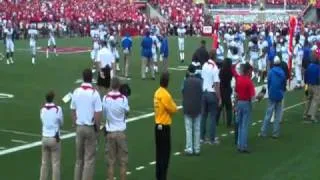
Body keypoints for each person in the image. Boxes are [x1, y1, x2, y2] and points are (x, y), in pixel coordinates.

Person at [71, 69, 102, 180]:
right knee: (89, 159)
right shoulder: (94, 93)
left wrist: (75, 123)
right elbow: (98, 113)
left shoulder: (76, 91)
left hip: (79, 127)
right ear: (91, 78)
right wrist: (97, 128)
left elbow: (73, 109)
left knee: (79, 159)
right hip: (90, 127)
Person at [102, 77, 130, 180]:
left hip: (110, 132)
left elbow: (104, 114)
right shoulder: (123, 99)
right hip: (121, 132)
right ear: (119, 86)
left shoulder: (105, 98)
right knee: (123, 163)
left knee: (110, 163)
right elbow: (127, 112)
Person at [153, 72, 178, 180]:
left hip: (157, 125)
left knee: (159, 153)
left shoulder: (157, 92)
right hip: (164, 127)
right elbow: (173, 109)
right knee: (165, 154)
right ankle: (163, 177)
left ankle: (158, 175)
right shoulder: (166, 95)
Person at [259, 57, 286, 138]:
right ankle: (275, 133)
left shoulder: (271, 72)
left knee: (268, 114)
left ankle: (263, 131)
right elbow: (283, 84)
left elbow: (269, 83)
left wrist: (270, 91)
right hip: (279, 94)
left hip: (272, 94)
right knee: (277, 115)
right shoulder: (282, 72)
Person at [40, 91, 63, 180]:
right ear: (53, 98)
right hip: (54, 138)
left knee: (44, 163)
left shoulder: (42, 109)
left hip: (45, 137)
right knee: (55, 163)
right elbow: (61, 123)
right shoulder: (58, 109)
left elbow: (43, 120)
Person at [233, 63, 256, 153]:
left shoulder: (238, 79)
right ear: (248, 71)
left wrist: (235, 104)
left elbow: (236, 93)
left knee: (239, 124)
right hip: (246, 103)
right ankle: (244, 146)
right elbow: (252, 96)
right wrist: (253, 105)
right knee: (244, 125)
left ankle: (239, 144)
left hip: (239, 103)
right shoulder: (249, 81)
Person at [200, 52, 221, 144]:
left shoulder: (204, 65)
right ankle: (212, 138)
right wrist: (219, 97)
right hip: (212, 93)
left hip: (204, 92)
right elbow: (216, 84)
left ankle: (202, 137)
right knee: (212, 117)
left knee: (203, 116)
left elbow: (202, 78)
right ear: (215, 57)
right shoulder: (215, 68)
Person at [182, 64, 203, 155]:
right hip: (197, 106)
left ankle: (189, 148)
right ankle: (197, 148)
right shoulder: (199, 81)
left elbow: (182, 91)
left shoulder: (185, 81)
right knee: (197, 128)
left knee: (189, 129)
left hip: (187, 106)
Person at [216, 58, 233, 127]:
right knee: (229, 107)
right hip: (227, 90)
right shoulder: (230, 72)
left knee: (219, 107)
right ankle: (229, 123)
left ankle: (216, 121)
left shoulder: (221, 71)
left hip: (221, 89)